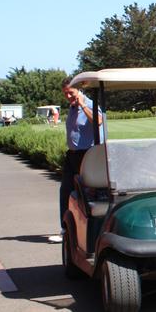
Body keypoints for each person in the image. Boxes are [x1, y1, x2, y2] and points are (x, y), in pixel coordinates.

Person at [50, 78, 105, 243]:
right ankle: (65, 230)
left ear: (79, 91)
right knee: (66, 191)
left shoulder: (88, 104)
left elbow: (99, 121)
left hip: (88, 155)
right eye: (65, 93)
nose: (68, 96)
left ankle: (91, 232)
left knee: (87, 193)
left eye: (71, 92)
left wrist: (82, 105)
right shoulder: (72, 107)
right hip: (73, 156)